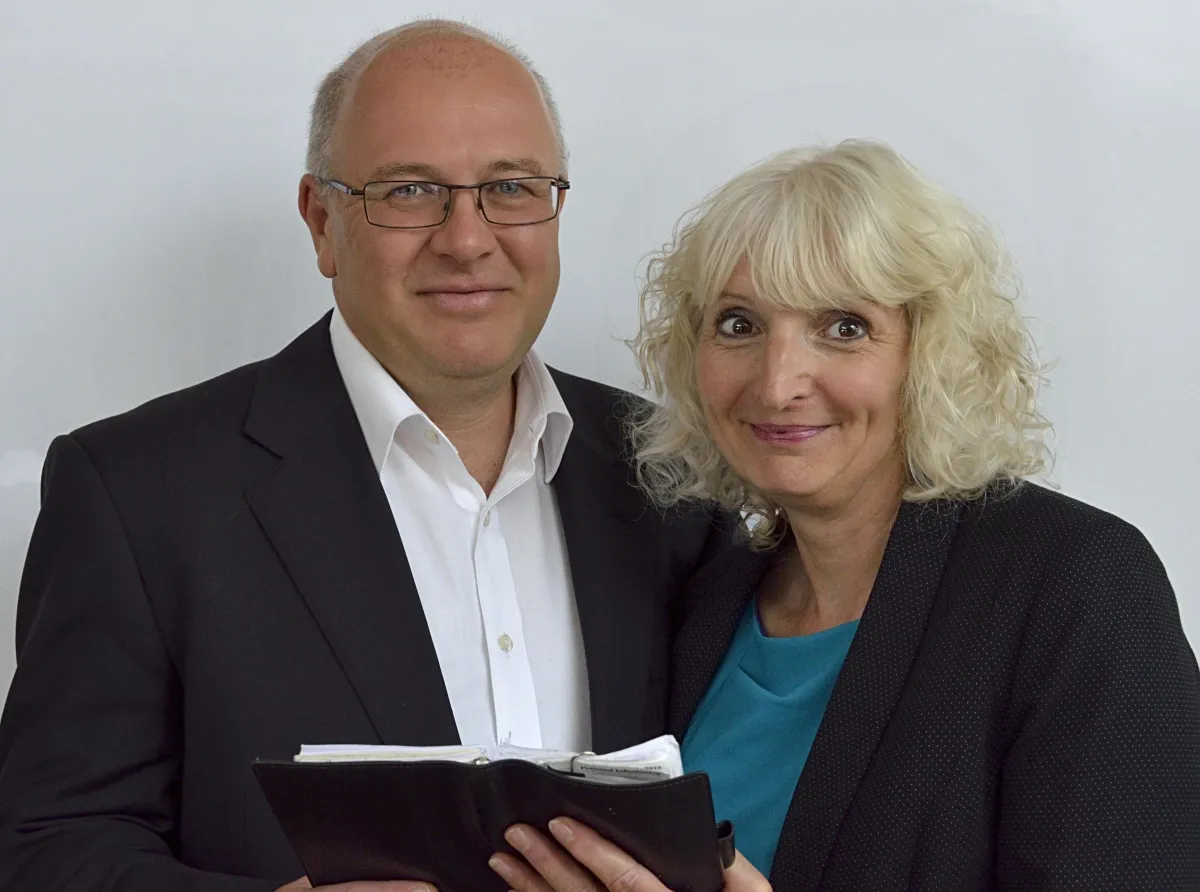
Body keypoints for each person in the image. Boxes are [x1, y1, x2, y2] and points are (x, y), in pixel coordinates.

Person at [0, 21, 738, 892]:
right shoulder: (136, 493)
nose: (467, 239)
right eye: (411, 190)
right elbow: (46, 847)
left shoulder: (674, 472)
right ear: (322, 222)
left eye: (510, 187)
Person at [490, 140, 1200, 891]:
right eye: (739, 325)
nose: (777, 383)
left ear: (929, 354)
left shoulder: (1077, 585)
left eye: (844, 327)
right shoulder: (707, 596)